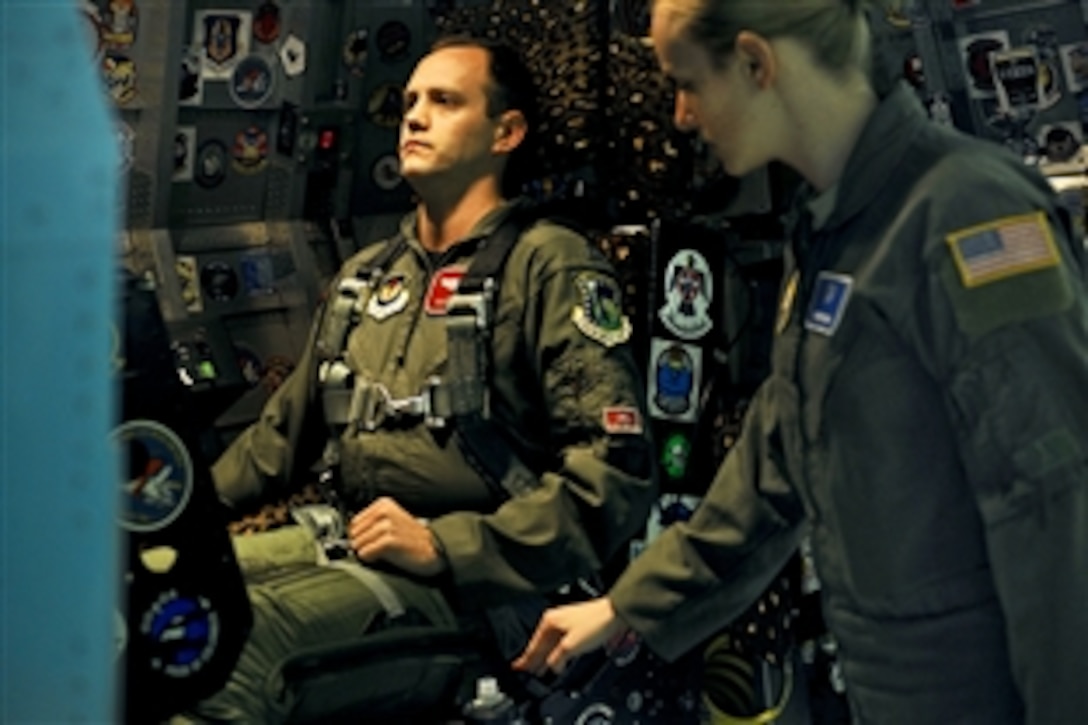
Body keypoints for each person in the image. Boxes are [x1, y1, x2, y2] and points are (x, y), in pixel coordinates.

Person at [513, 1, 1088, 723]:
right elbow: (776, 461)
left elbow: (1057, 508)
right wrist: (628, 604)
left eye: (688, 82)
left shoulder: (968, 213)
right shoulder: (833, 235)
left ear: (757, 64)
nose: (682, 116)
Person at [182, 35, 656, 722]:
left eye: (443, 100)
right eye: (408, 102)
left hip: (490, 588)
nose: (413, 117)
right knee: (158, 605)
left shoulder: (550, 266)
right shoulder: (365, 278)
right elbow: (275, 441)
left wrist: (445, 544)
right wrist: (167, 527)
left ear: (507, 131)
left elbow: (614, 480)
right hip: (349, 536)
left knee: (223, 648)